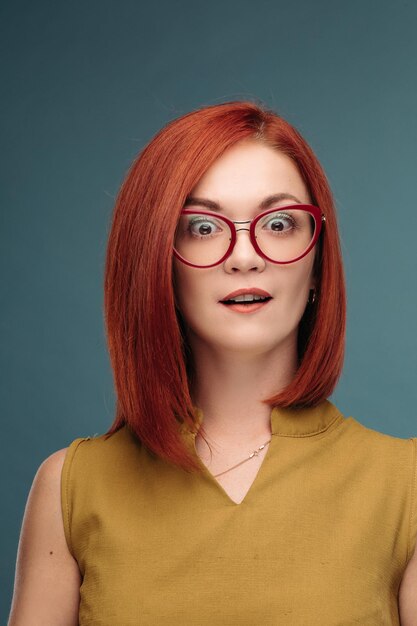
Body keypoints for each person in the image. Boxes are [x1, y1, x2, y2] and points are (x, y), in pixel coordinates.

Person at [8, 100, 417, 625]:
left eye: (280, 223)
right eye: (202, 227)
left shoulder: (404, 484)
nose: (244, 255)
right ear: (157, 261)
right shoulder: (71, 485)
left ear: (318, 264)